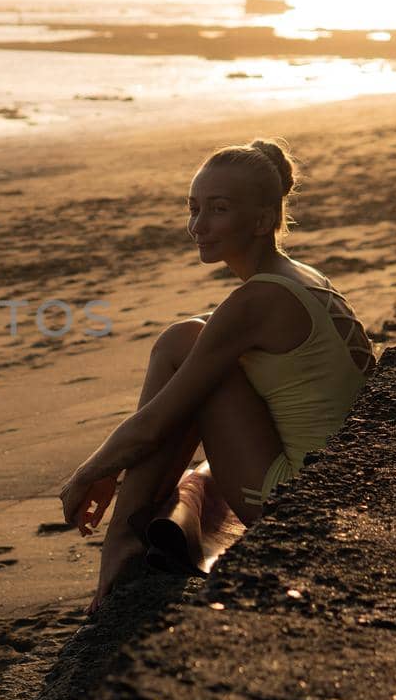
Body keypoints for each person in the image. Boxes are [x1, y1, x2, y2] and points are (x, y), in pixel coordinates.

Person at [56, 139, 376, 613]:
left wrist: (89, 475)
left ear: (263, 221)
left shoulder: (259, 299)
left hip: (299, 501)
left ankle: (121, 543)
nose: (198, 226)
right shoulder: (300, 277)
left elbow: (153, 424)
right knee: (187, 339)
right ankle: (128, 536)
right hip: (345, 483)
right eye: (194, 209)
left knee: (181, 347)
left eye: (218, 210)